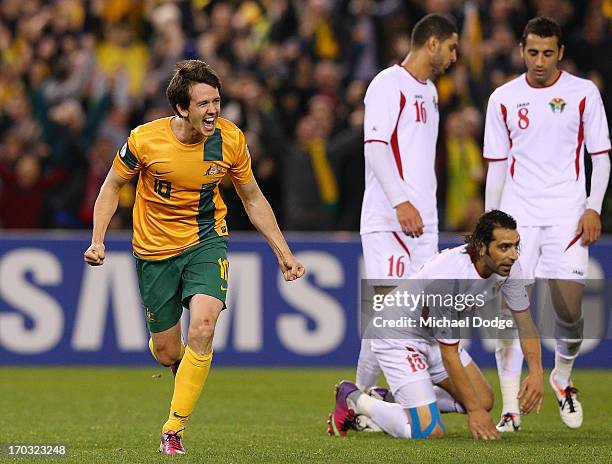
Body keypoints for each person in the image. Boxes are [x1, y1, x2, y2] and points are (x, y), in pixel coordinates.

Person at [83, 60, 305, 455]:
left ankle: (173, 428)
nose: (213, 111)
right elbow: (112, 185)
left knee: (203, 326)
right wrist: (98, 240)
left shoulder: (231, 140)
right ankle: (180, 367)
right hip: (153, 251)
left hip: (206, 241)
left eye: (216, 101)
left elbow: (252, 197)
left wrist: (283, 252)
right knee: (168, 350)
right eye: (203, 103)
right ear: (181, 108)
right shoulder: (144, 140)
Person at [483, 17, 611, 431]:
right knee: (512, 310)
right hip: (519, 216)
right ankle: (509, 407)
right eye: (533, 52)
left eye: (548, 53)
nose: (540, 61)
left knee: (570, 310)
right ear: (522, 50)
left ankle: (561, 376)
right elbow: (497, 168)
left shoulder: (583, 93)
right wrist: (491, 225)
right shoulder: (502, 98)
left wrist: (593, 206)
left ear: (560, 54)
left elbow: (601, 157)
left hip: (567, 215)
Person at [328, 210, 544, 440]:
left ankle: (388, 399)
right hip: (398, 337)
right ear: (481, 247)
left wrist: (536, 372)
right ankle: (354, 399)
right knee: (430, 430)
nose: (513, 255)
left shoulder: (509, 268)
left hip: (433, 337)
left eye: (515, 246)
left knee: (484, 400)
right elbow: (449, 354)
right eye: (504, 247)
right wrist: (474, 412)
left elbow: (525, 322)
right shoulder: (451, 276)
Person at [356, 13, 458, 394]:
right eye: (451, 46)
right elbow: (376, 147)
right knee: (388, 314)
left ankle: (358, 398)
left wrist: (422, 210)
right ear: (431, 43)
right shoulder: (388, 83)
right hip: (389, 219)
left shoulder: (429, 91)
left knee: (413, 315)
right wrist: (401, 202)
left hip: (423, 223)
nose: (454, 55)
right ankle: (355, 399)